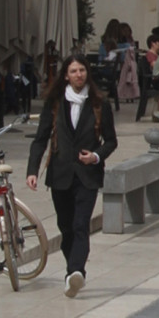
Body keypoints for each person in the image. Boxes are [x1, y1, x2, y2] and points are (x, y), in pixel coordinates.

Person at [27, 55, 118, 298]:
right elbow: (40, 139)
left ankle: (76, 270)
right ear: (66, 75)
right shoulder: (55, 103)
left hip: (87, 175)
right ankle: (73, 273)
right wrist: (32, 171)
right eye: (74, 71)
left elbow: (111, 141)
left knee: (80, 225)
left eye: (82, 70)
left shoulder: (100, 104)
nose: (79, 74)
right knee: (65, 226)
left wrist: (96, 156)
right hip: (60, 173)